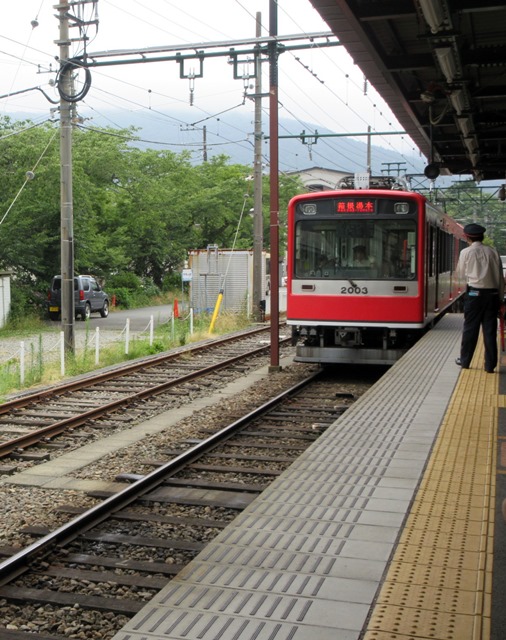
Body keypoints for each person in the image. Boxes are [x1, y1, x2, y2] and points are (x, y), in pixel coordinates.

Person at [456, 223, 505, 373]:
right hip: (492, 296)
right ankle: (490, 365)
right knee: (489, 330)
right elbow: (499, 278)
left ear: (467, 237)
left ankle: (465, 361)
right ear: (482, 236)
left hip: (474, 295)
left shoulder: (465, 252)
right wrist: (501, 298)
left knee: (470, 328)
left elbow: (460, 275)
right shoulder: (493, 252)